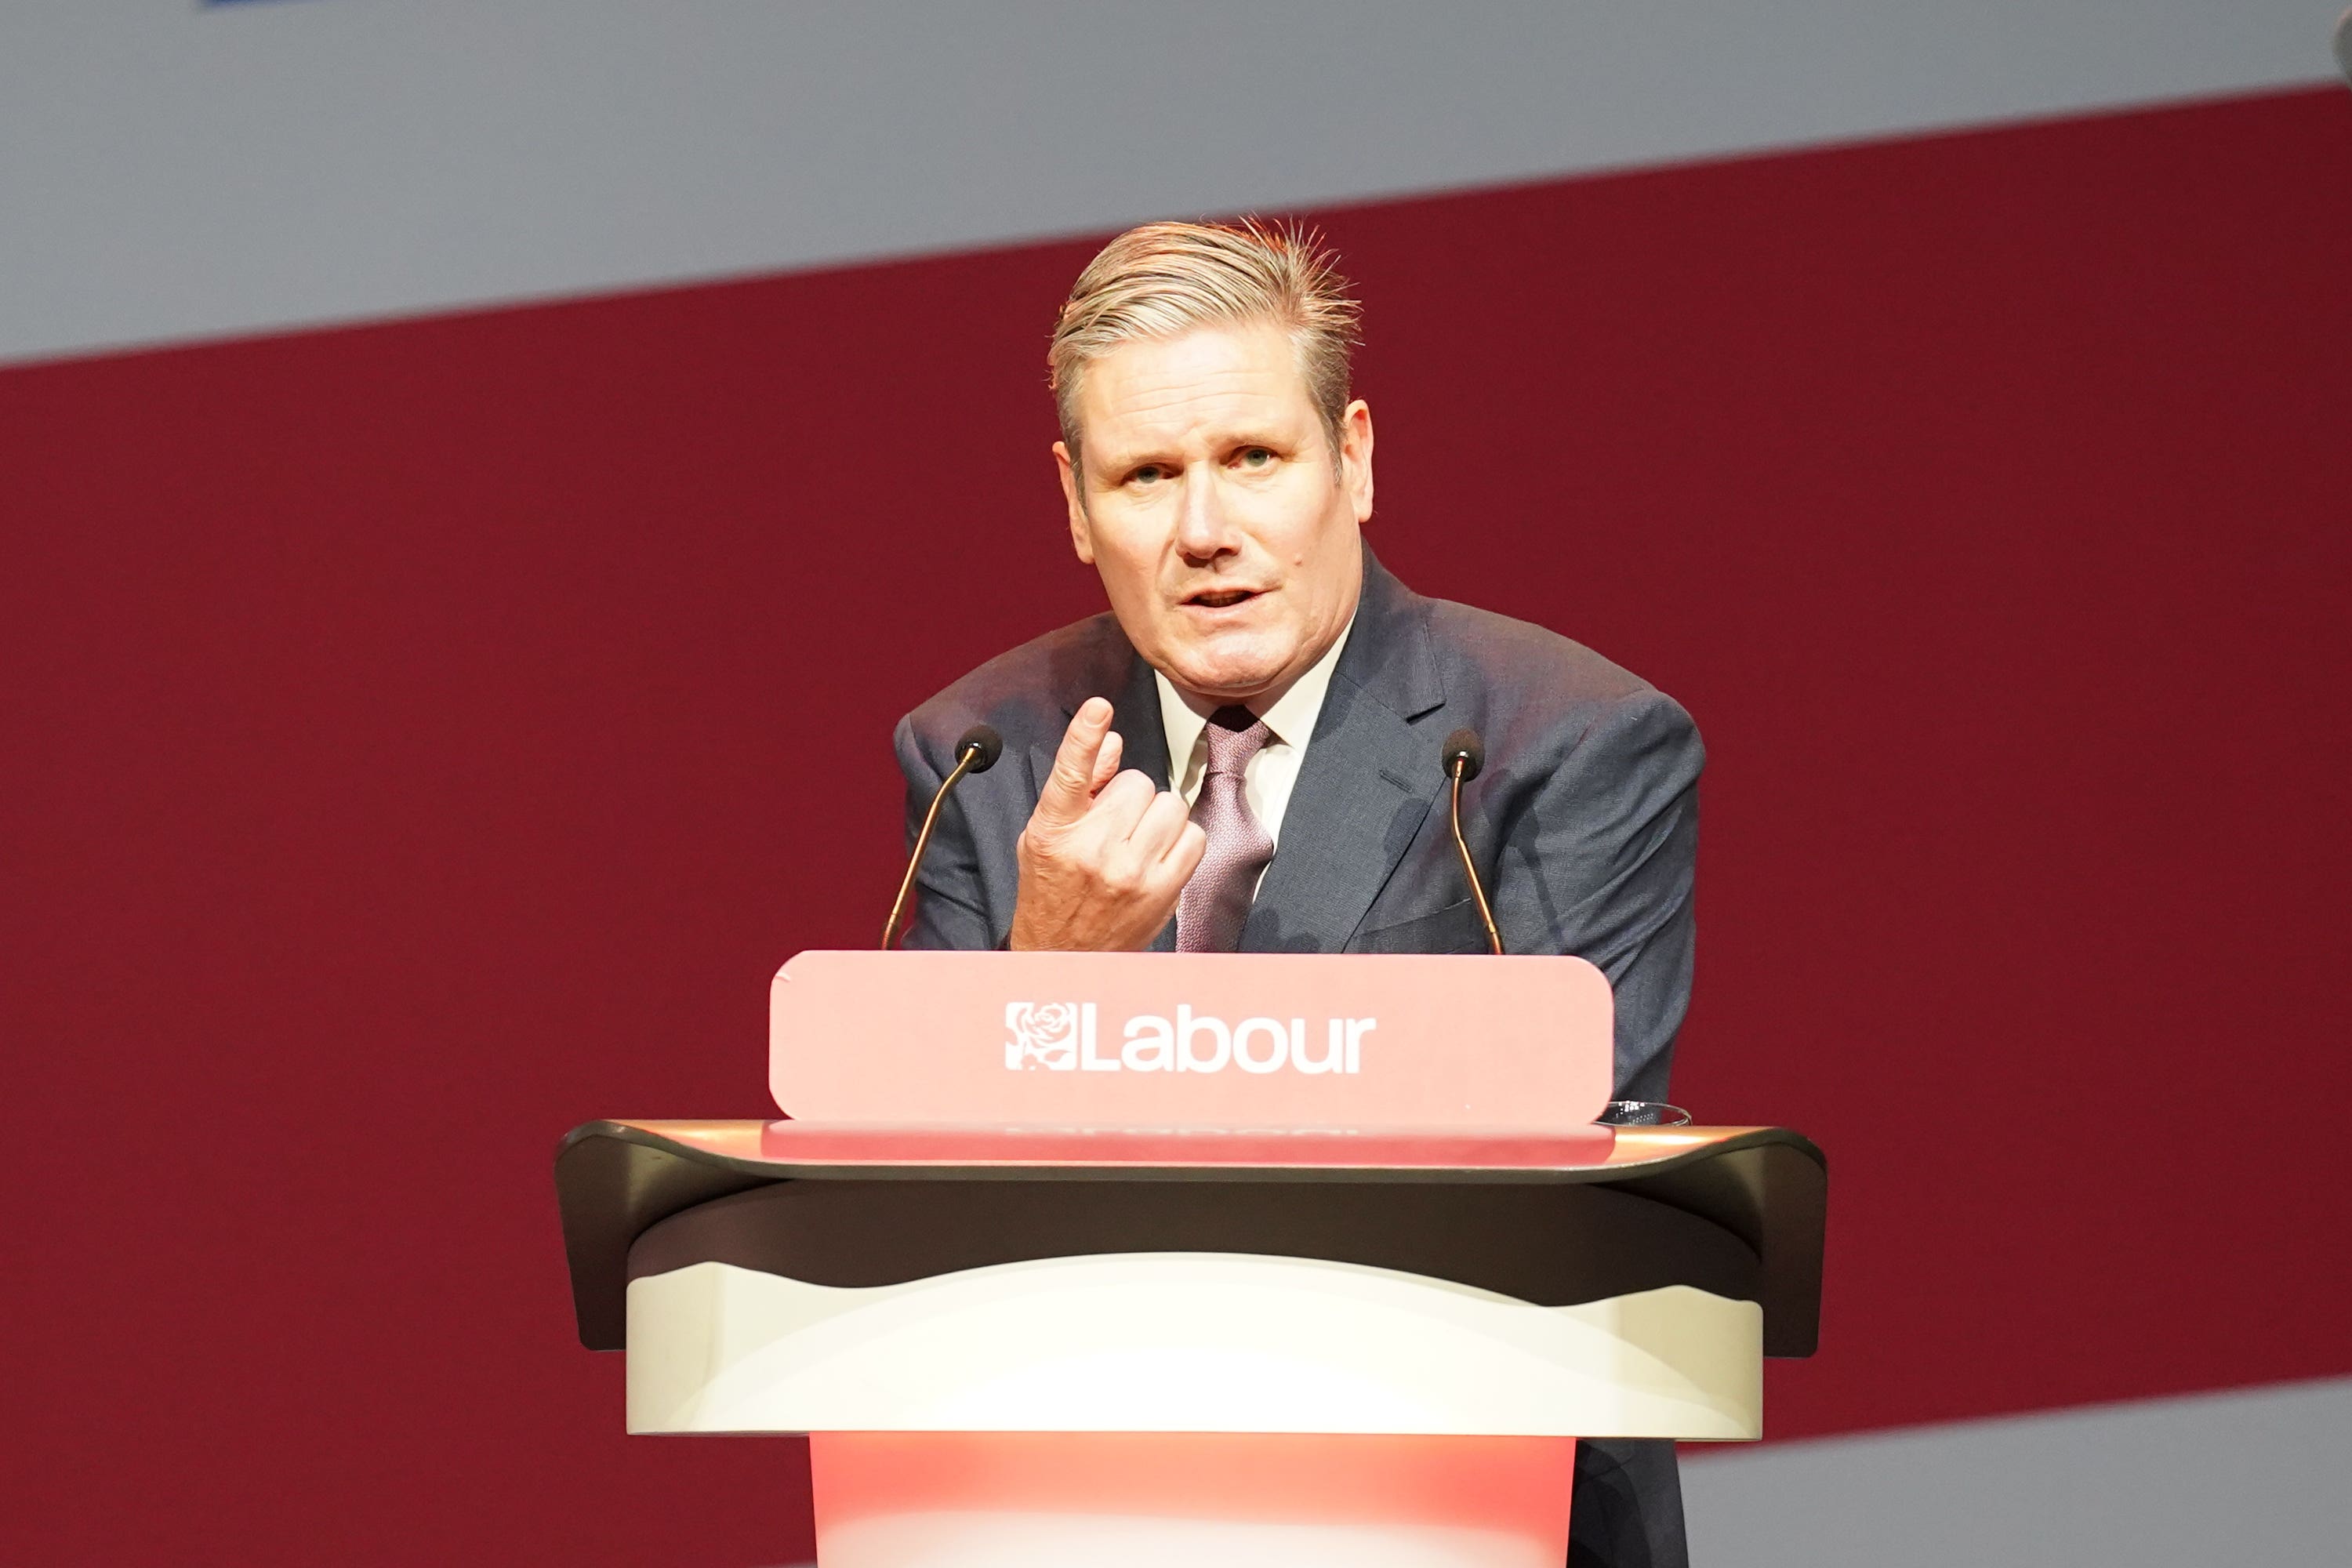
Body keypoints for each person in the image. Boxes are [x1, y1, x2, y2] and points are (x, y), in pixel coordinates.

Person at [892, 219, 1704, 1568]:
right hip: (1080, 1499)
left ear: (1356, 458)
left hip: (1463, 1496)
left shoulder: (1565, 739)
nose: (1206, 531)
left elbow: (1571, 1172)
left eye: (1251, 459)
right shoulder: (983, 749)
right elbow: (909, 1201)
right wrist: (1050, 969)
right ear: (1074, 500)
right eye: (1146, 474)